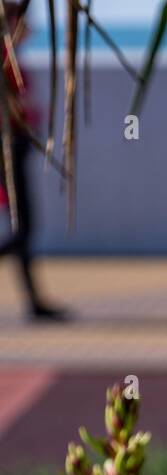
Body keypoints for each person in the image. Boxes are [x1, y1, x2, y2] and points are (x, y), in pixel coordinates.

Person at [0, 2, 66, 319]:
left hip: (17, 147)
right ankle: (35, 303)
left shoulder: (10, 57)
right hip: (8, 150)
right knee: (22, 229)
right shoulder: (4, 59)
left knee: (21, 230)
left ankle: (34, 303)